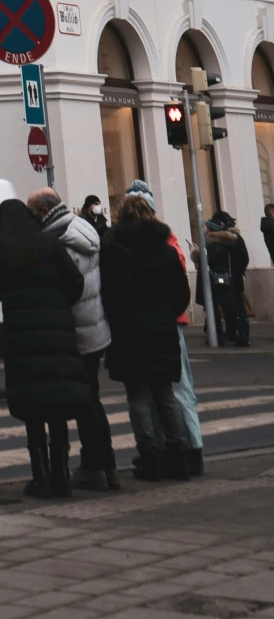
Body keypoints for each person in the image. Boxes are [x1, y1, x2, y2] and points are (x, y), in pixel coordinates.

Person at [0, 195, 87, 498]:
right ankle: (61, 477)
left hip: (22, 339)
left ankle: (39, 477)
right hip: (57, 336)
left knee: (32, 408)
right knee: (56, 408)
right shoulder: (50, 244)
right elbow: (76, 282)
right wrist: (58, 304)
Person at [101, 191, 193, 479]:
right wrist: (165, 314)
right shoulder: (165, 251)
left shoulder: (115, 250)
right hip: (162, 328)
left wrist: (116, 321)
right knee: (165, 394)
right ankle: (177, 458)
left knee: (138, 396)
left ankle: (149, 457)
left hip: (129, 330)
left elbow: (108, 293)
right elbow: (181, 294)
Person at [29, 188, 117, 489]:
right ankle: (108, 467)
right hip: (96, 325)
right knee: (92, 397)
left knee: (81, 402)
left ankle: (94, 467)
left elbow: (67, 286)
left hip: (74, 330)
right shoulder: (83, 228)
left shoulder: (56, 240)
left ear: (43, 211)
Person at [124, 179, 204, 472]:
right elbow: (180, 282)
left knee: (163, 389)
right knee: (171, 388)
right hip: (169, 321)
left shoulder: (128, 241)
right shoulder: (166, 238)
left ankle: (180, 449)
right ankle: (181, 449)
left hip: (150, 324)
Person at [203, 211, 251, 347]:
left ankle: (224, 335)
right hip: (233, 279)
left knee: (219, 308)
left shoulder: (214, 244)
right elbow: (243, 258)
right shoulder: (233, 240)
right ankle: (242, 335)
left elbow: (207, 262)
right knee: (236, 308)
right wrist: (237, 273)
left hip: (219, 280)